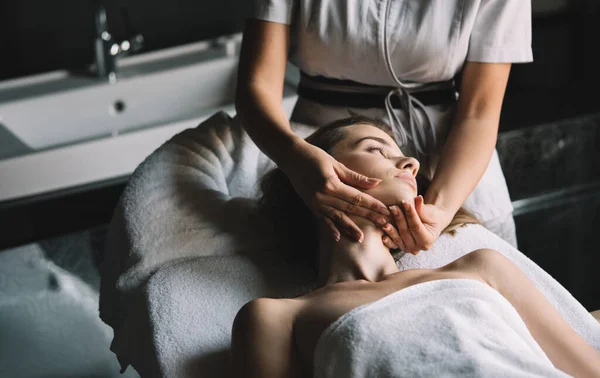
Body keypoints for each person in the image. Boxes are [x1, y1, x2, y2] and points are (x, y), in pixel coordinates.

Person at [230, 117, 600, 378]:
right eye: (376, 149)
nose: (409, 162)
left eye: (401, 155)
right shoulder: (275, 318)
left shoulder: (483, 267)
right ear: (313, 172)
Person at [235, 0, 533, 254]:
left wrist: (440, 211)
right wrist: (292, 156)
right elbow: (257, 85)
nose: (409, 163)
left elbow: (479, 113)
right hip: (320, 147)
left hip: (452, 160)